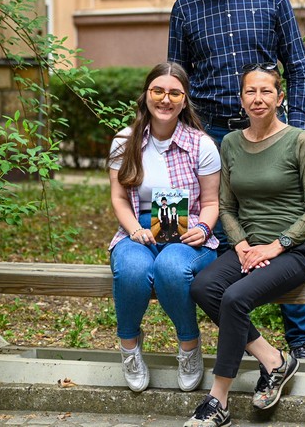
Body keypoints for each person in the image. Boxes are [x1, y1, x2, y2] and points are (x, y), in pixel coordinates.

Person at [168, 0, 305, 360]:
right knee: (223, 235)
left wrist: (297, 132)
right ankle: (234, 338)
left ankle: (299, 343)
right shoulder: (184, 8)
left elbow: (299, 68)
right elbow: (177, 81)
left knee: (280, 223)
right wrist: (179, 141)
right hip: (210, 136)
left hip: (273, 133)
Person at [184, 64, 305, 427]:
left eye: (266, 91)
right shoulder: (231, 143)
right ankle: (275, 361)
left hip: (293, 252)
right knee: (204, 287)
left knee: (234, 298)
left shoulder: (298, 140)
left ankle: (218, 401)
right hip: (248, 248)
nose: (258, 98)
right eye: (251, 91)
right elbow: (227, 207)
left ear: (280, 98)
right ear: (241, 99)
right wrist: (244, 245)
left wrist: (278, 245)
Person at [107, 62, 221, 393]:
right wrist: (133, 230)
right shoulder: (124, 141)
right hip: (137, 230)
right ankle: (129, 347)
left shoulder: (201, 144)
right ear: (146, 95)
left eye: (174, 93)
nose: (165, 99)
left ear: (185, 100)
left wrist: (203, 228)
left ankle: (189, 346)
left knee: (171, 267)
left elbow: (212, 203)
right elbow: (118, 197)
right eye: (158, 91)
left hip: (187, 234)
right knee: (131, 268)